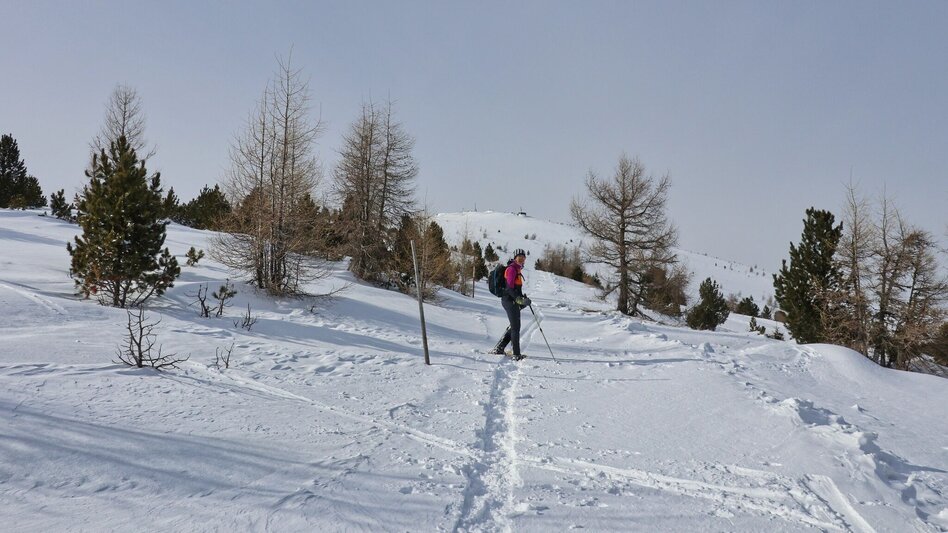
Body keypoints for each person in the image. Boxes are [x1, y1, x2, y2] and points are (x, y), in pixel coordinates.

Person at [489, 249, 531, 360]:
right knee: (516, 327)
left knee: (514, 326)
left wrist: (523, 299)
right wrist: (519, 300)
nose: (521, 259)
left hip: (513, 301)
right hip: (509, 300)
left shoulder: (517, 270)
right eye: (519, 257)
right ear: (515, 258)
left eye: (523, 257)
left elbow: (516, 289)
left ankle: (499, 348)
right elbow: (509, 289)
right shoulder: (511, 269)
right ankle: (516, 354)